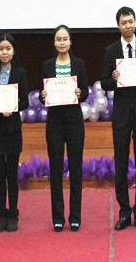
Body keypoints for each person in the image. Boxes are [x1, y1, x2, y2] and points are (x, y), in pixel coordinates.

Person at [101, 6, 136, 231]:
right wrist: (113, 79)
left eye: (131, 21)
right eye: (124, 22)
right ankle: (124, 212)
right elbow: (104, 83)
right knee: (121, 165)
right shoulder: (111, 50)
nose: (128, 26)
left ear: (135, 22)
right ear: (118, 26)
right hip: (121, 114)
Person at [39, 25, 88, 232]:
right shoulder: (47, 66)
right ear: (54, 42)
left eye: (65, 39)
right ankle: (58, 217)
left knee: (76, 169)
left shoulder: (79, 64)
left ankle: (75, 216)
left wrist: (80, 93)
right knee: (56, 170)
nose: (62, 42)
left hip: (74, 121)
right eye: (58, 39)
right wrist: (43, 96)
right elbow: (42, 95)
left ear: (70, 42)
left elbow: (85, 91)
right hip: (55, 123)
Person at [0, 32, 29, 232]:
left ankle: (13, 215)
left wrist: (14, 106)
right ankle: (1, 214)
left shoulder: (20, 73)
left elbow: (25, 101)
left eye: (8, 49)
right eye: (1, 49)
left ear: (13, 51)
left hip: (12, 129)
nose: (4, 52)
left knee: (11, 174)